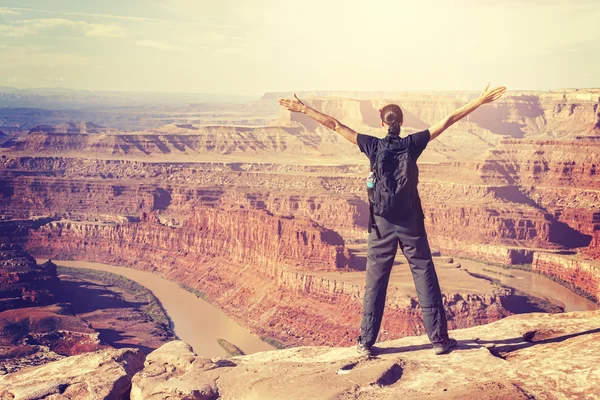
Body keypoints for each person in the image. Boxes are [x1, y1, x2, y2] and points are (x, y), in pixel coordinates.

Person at [278, 84, 507, 356]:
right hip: (410, 222)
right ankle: (439, 341)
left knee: (375, 282)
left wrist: (303, 109)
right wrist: (479, 101)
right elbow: (448, 121)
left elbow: (335, 125)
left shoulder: (372, 145)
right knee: (424, 276)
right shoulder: (413, 144)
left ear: (382, 123)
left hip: (381, 224)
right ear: (401, 122)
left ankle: (365, 342)